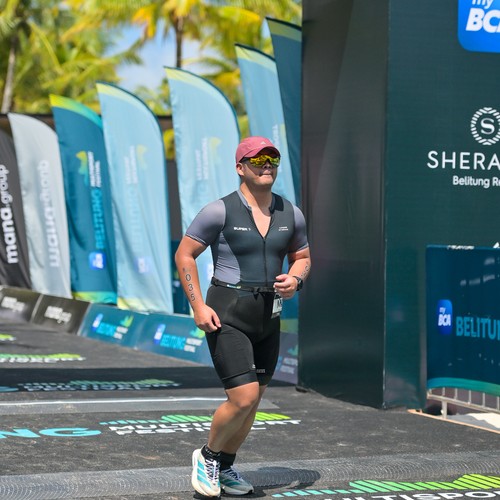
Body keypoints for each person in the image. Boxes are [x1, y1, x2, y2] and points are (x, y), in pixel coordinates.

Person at [175, 136, 311, 497]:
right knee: (244, 397)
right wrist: (198, 306)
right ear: (240, 167)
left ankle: (225, 465)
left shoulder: (291, 213)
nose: (267, 165)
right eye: (258, 160)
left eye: (272, 159)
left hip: (268, 316)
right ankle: (207, 456)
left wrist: (295, 279)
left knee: (254, 401)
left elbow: (302, 257)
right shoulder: (218, 211)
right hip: (227, 312)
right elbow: (185, 254)